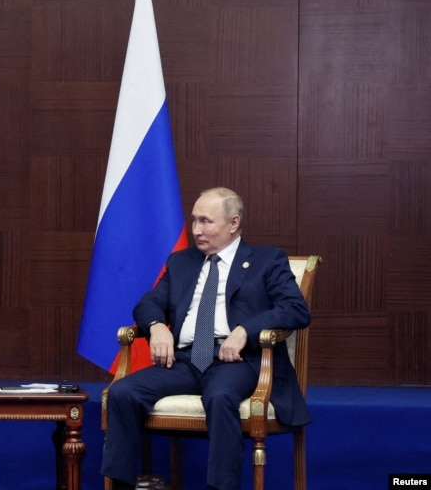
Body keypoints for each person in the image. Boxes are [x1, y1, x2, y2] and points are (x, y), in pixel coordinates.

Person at [101, 187, 311, 490]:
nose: (197, 230)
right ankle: (119, 486)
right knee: (122, 392)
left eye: (206, 222)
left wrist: (245, 330)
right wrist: (158, 326)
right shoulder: (182, 262)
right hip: (185, 360)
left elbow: (295, 309)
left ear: (233, 223)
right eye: (194, 221)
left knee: (220, 396)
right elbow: (148, 303)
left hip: (237, 361)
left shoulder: (267, 260)